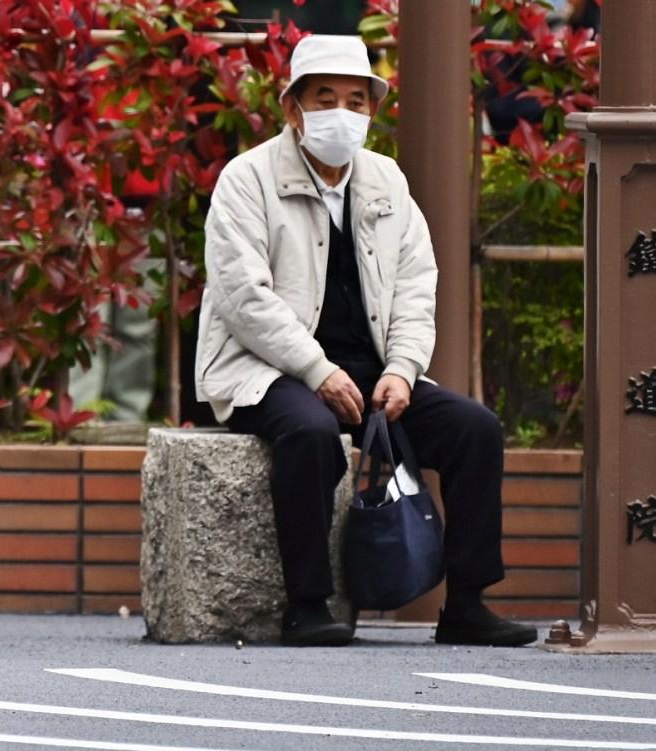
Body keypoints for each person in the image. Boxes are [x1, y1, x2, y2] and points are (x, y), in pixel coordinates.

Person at [195, 35, 537, 647]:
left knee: (473, 430)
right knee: (309, 432)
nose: (342, 113)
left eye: (357, 100)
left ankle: (465, 602)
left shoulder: (387, 180)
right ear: (292, 109)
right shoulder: (246, 180)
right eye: (325, 98)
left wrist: (403, 369)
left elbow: (415, 286)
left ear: (372, 112)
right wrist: (316, 369)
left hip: (370, 369)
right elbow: (244, 298)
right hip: (267, 367)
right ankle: (307, 602)